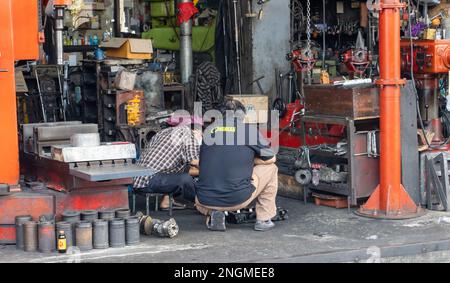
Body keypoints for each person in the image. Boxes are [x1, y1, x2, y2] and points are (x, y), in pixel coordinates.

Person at [195, 100, 278, 232]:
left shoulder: (208, 131)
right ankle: (264, 219)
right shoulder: (248, 131)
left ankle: (215, 213)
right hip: (236, 199)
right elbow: (271, 158)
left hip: (203, 200)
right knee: (272, 168)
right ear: (242, 116)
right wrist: (250, 161)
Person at [133, 116, 202, 209]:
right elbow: (194, 162)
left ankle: (166, 201)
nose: (201, 136)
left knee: (177, 171)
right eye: (201, 133)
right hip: (149, 180)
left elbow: (168, 165)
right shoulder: (189, 134)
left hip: (137, 179)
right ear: (195, 129)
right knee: (185, 179)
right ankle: (205, 202)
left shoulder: (163, 132)